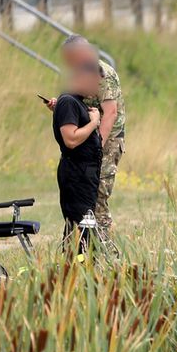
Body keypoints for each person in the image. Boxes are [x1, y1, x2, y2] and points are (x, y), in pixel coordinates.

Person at [54, 36, 124, 241]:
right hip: (86, 142)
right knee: (78, 198)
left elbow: (110, 113)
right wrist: (59, 106)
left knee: (97, 196)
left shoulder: (102, 73)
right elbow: (77, 103)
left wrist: (96, 149)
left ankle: (103, 251)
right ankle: (75, 247)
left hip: (106, 141)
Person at [49, 60, 103, 254]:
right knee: (80, 228)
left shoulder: (74, 102)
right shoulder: (69, 101)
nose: (97, 90)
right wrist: (94, 122)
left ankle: (78, 269)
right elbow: (71, 139)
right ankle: (76, 269)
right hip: (76, 175)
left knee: (84, 228)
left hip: (85, 176)